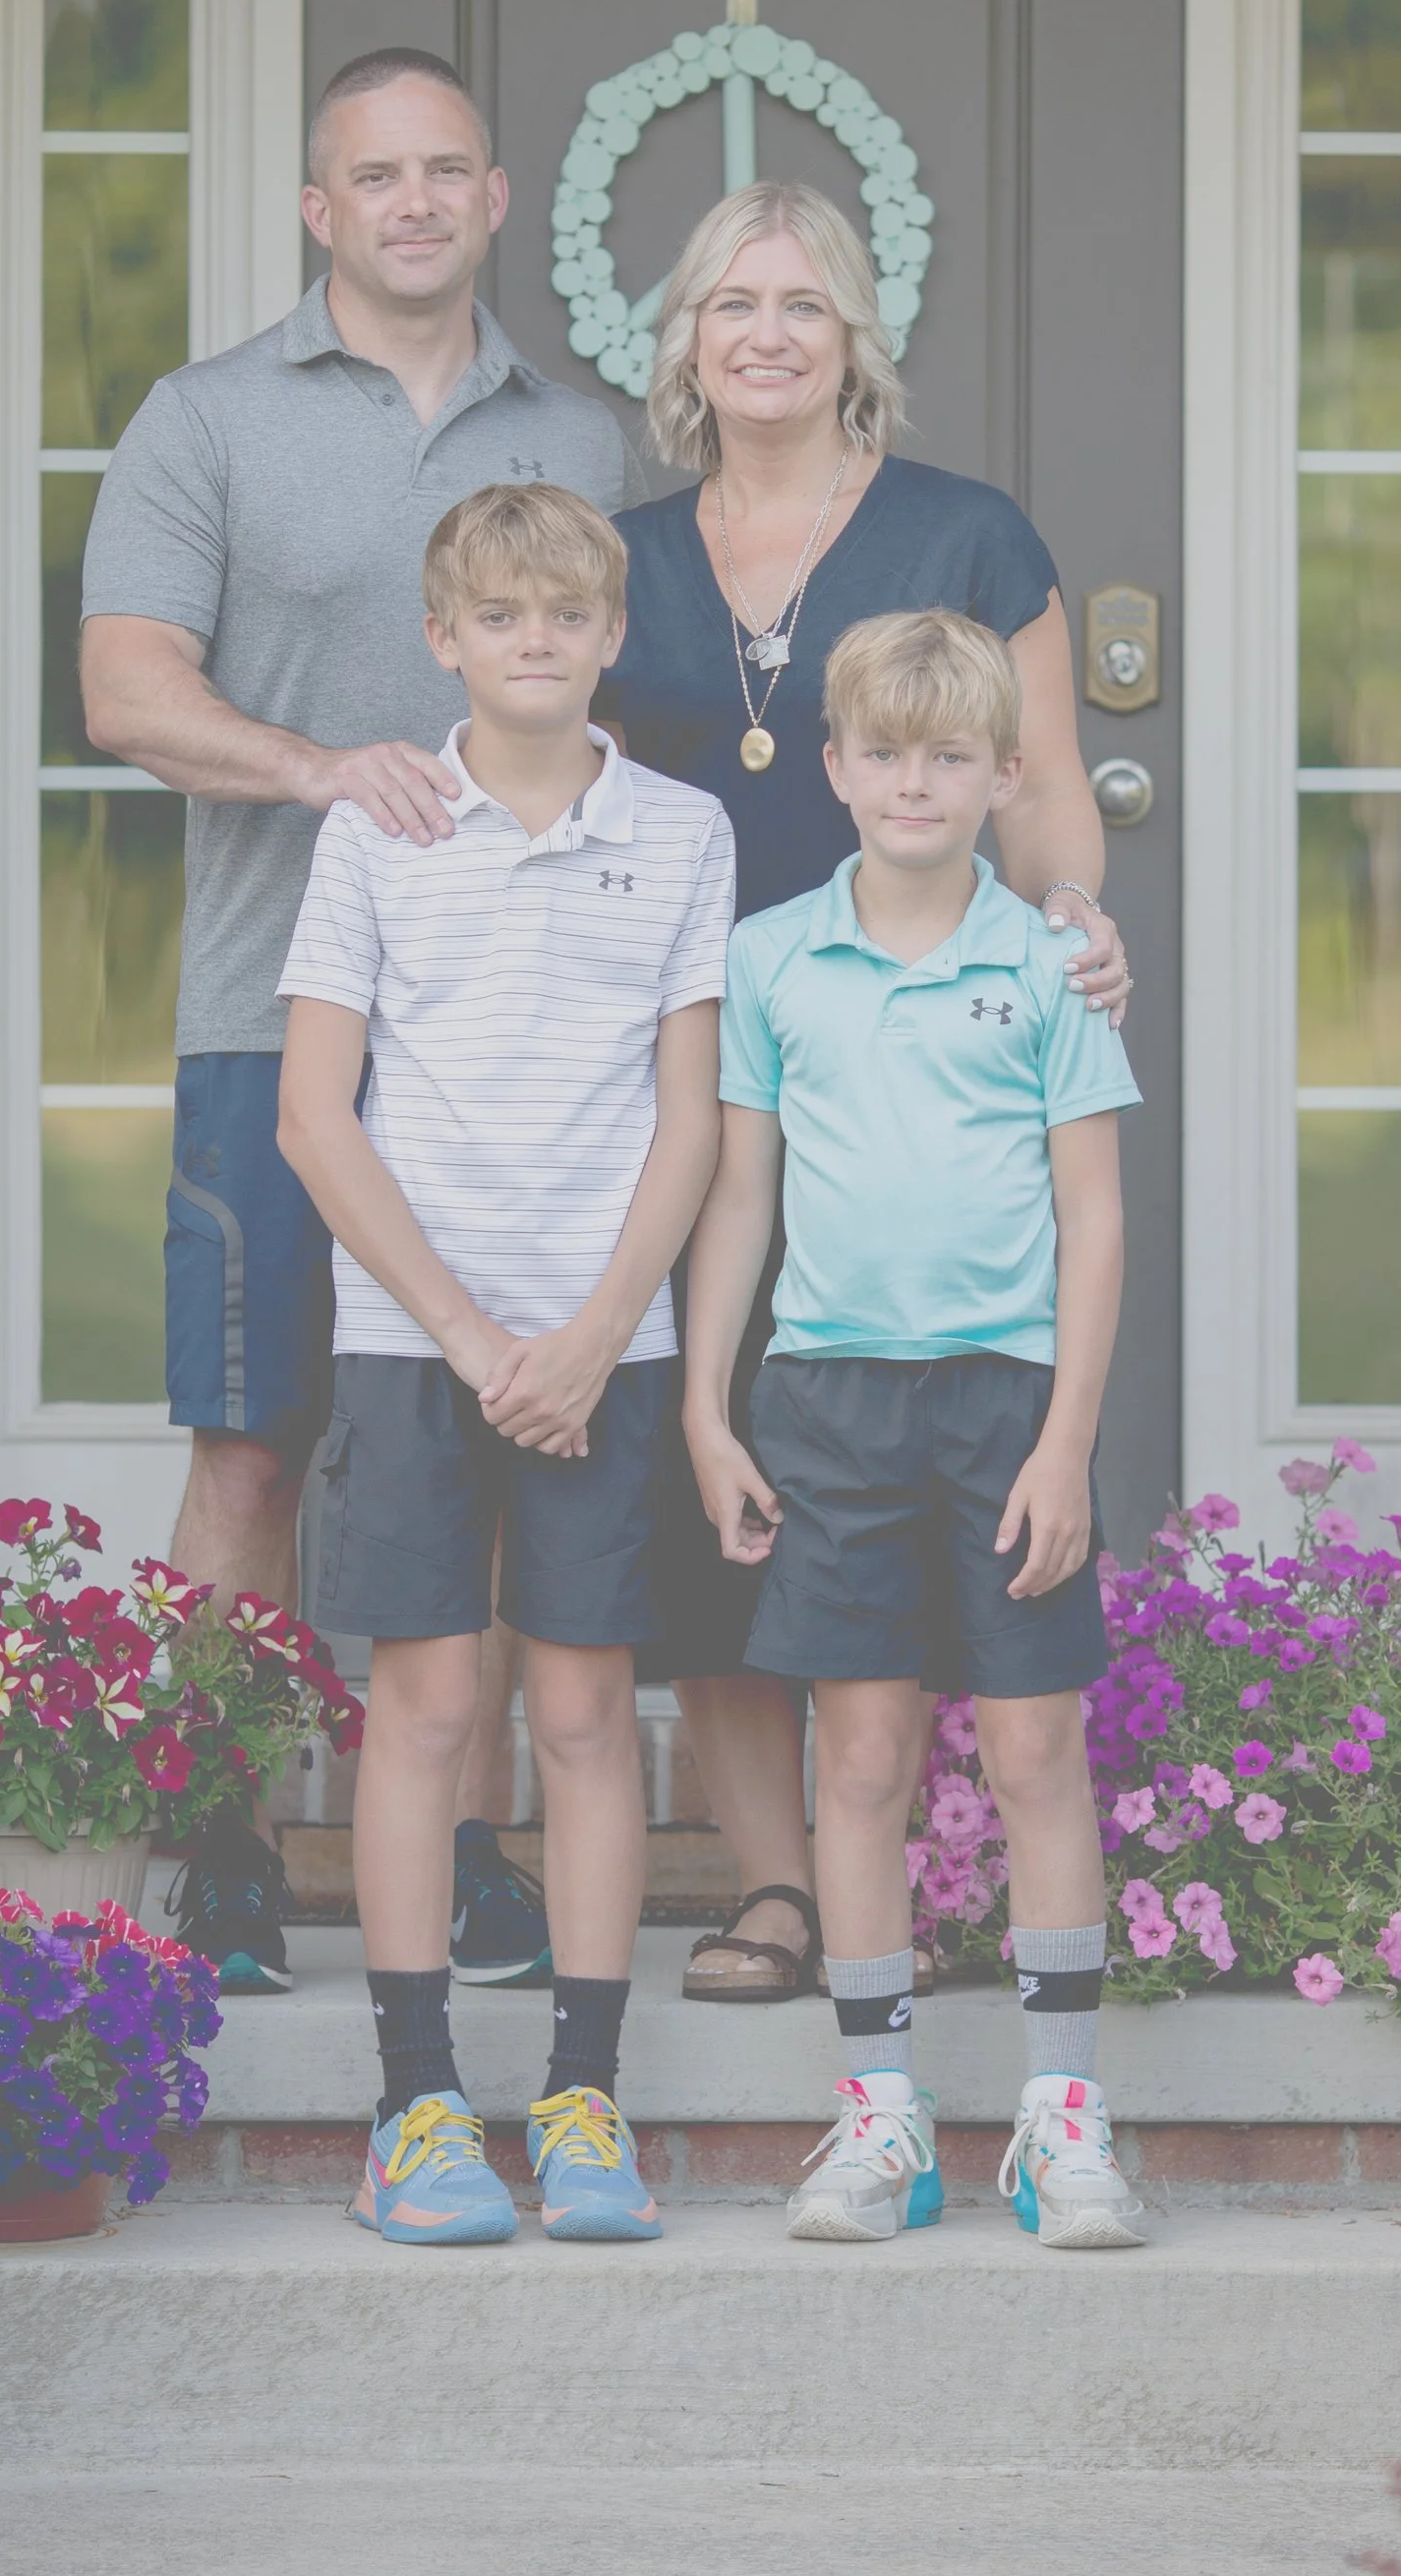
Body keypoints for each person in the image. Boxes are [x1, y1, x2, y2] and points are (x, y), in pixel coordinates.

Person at [81, 48, 629, 1997]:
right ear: (319, 210)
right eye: (370, 175)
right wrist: (321, 769)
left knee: (479, 1433)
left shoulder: (584, 431)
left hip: (528, 1042)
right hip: (272, 1015)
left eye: (443, 171)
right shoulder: (205, 419)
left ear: (496, 198)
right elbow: (125, 691)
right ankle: (217, 1837)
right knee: (251, 1440)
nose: (409, 201)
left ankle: (463, 1849)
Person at [599, 181, 1131, 2003]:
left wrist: (1070, 925)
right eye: (730, 301)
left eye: (802, 303)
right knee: (723, 1484)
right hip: (693, 1062)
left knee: (894, 1469)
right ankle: (782, 1891)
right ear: (683, 340)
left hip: (917, 1049)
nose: (765, 332)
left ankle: (924, 1913)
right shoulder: (627, 553)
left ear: (855, 340)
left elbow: (1048, 778)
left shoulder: (965, 533)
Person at [276, 484, 732, 2244]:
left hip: (602, 1343)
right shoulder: (383, 826)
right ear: (441, 634)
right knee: (430, 1705)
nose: (537, 640)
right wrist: (471, 1337)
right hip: (417, 1341)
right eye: (501, 615)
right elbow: (320, 1114)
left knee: (585, 1712)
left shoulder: (683, 832)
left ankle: (584, 2097)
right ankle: (416, 2108)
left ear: (614, 636)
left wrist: (604, 1325)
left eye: (569, 615)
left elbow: (692, 1115)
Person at [684, 607, 1142, 2250]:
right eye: (884, 752)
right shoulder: (773, 958)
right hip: (827, 1400)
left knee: (1032, 1748)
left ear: (1005, 772)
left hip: (1006, 1401)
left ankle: (1062, 2118)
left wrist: (1068, 1442)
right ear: (836, 767)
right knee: (862, 1757)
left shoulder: (1049, 964)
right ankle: (880, 2118)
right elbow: (740, 1196)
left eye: (953, 755)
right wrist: (705, 1408)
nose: (917, 781)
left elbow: (1093, 1219)